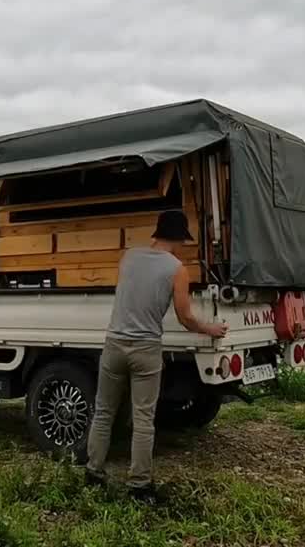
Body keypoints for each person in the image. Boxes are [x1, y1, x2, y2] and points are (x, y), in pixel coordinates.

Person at [84, 209, 229, 499]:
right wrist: (210, 329)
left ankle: (93, 472)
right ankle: (139, 485)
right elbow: (185, 316)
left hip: (113, 343)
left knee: (103, 412)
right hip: (146, 348)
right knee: (143, 419)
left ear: (157, 233)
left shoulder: (129, 257)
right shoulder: (177, 269)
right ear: (178, 238)